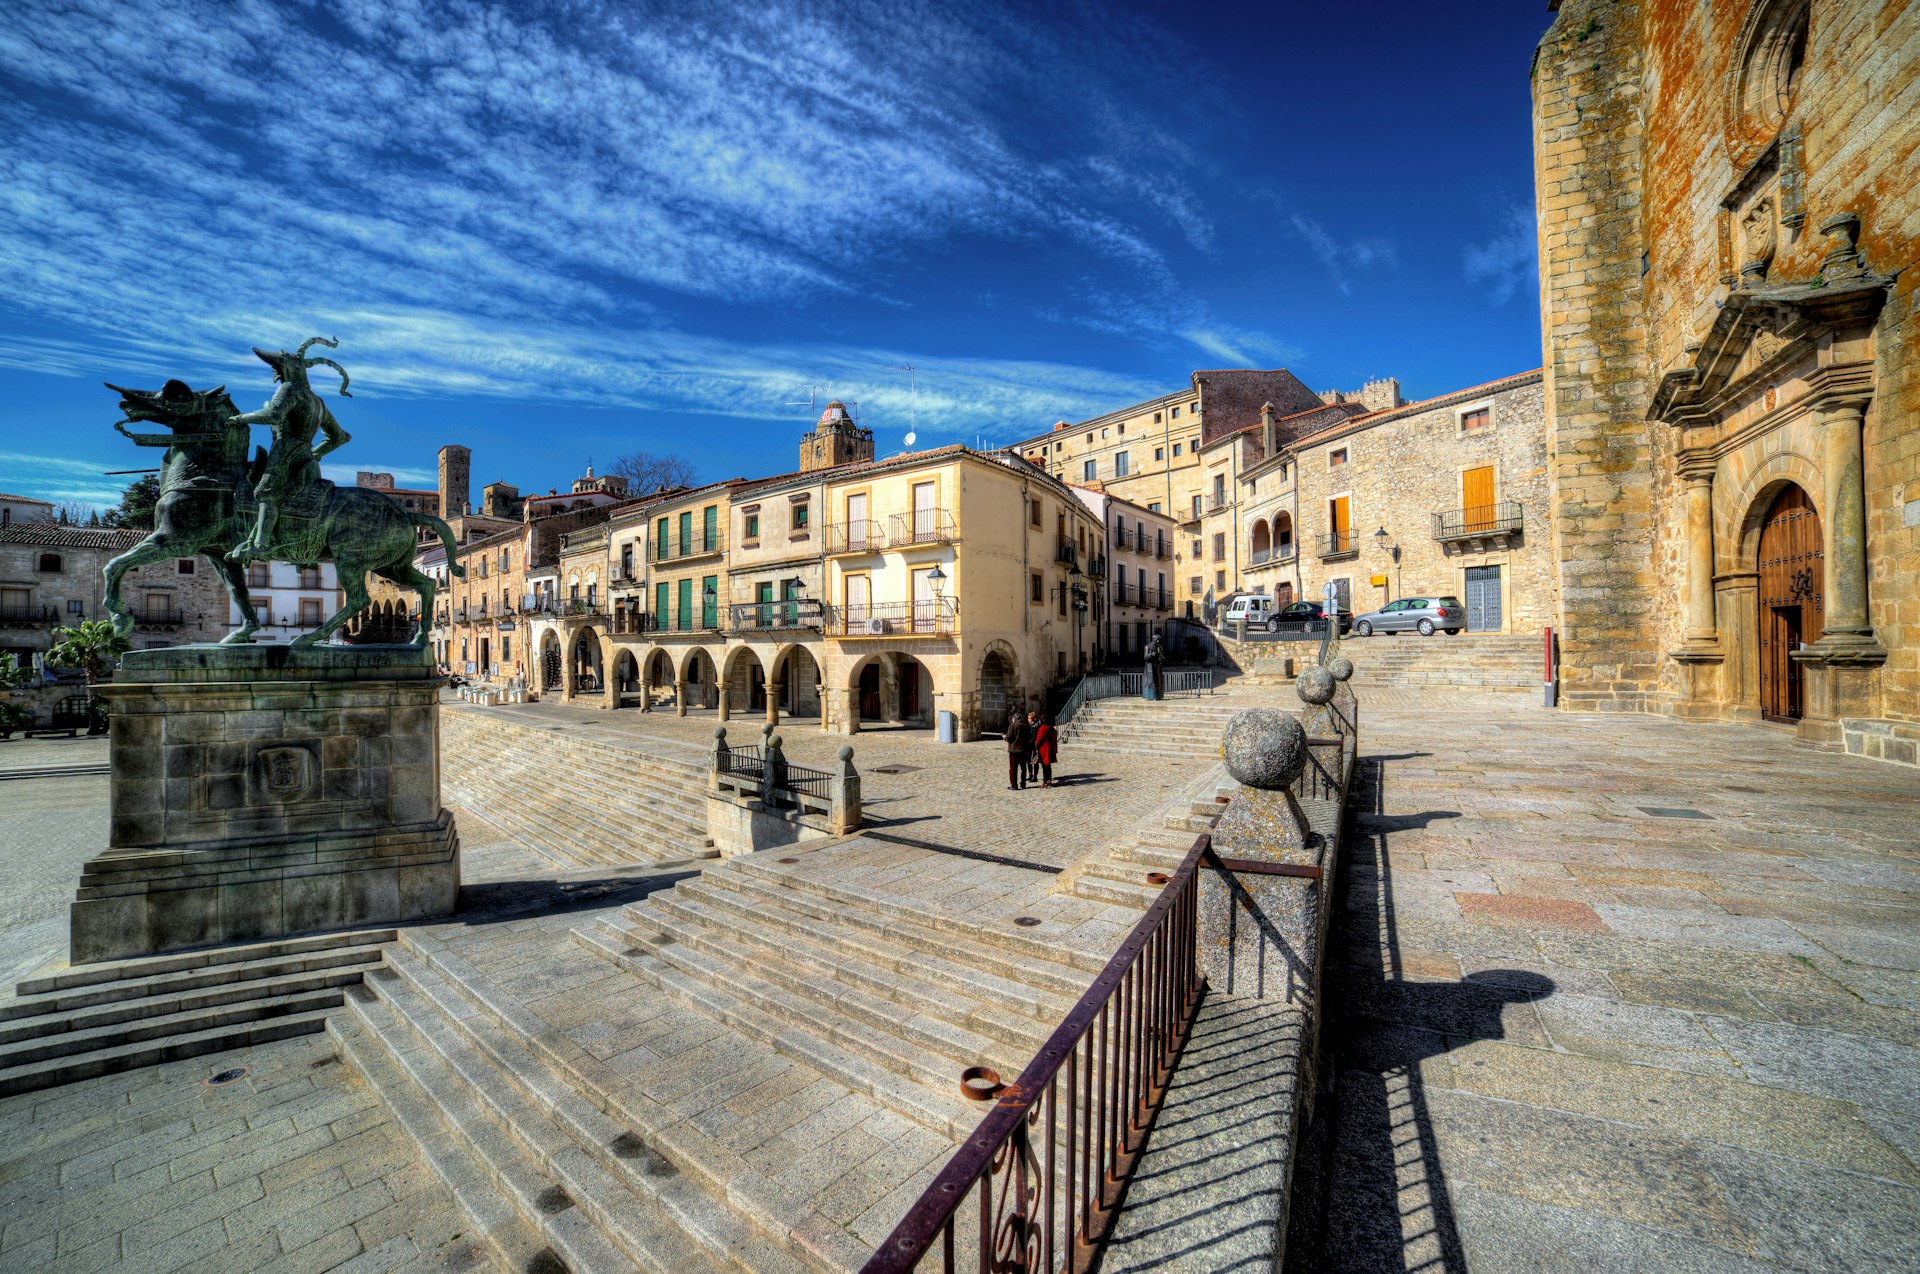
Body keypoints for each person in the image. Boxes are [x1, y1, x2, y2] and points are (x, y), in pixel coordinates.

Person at [1005, 710, 1033, 790]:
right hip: (1023, 750)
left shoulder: (1013, 726)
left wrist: (1005, 738)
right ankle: (1023, 784)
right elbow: (1029, 737)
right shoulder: (1026, 726)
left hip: (1014, 751)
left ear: (1015, 718)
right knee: (1023, 768)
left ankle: (1014, 785)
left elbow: (1009, 738)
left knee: (1013, 768)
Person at [1033, 713, 1059, 788]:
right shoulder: (1052, 728)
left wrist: (1036, 748)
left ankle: (1045, 781)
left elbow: (1038, 740)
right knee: (1048, 766)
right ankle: (1049, 780)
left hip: (1044, 750)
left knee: (1045, 766)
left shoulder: (1043, 728)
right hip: (1050, 749)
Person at [1025, 710, 1043, 784]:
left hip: (1035, 746)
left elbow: (1034, 737)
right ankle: (1030, 774)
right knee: (1028, 760)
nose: (1028, 719)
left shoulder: (1037, 726)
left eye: (1029, 718)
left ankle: (1035, 776)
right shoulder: (1030, 725)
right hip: (1029, 746)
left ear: (1033, 718)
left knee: (1035, 761)